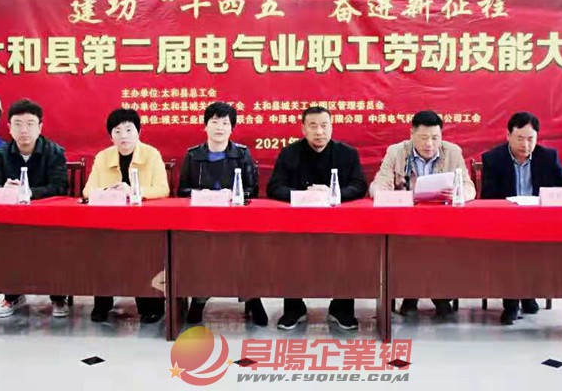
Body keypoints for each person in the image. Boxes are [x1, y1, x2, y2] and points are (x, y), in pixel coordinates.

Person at [267, 106, 367, 331]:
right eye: (313, 126)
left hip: (339, 224)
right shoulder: (289, 153)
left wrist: (333, 194)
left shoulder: (347, 153)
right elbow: (274, 187)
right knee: (291, 256)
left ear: (332, 127)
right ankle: (294, 309)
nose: (319, 131)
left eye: (324, 125)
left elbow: (359, 185)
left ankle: (342, 308)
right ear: (303, 129)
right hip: (298, 223)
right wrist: (304, 196)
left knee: (346, 256)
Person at [370, 110, 476, 319]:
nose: (429, 144)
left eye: (435, 138)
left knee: (443, 245)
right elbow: (379, 184)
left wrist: (458, 194)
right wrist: (385, 194)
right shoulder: (396, 152)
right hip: (406, 222)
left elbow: (469, 187)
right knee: (408, 244)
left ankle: (440, 295)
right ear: (411, 134)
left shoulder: (452, 152)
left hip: (442, 222)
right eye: (423, 137)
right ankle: (411, 295)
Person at [177, 102, 267, 326]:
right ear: (205, 126)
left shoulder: (242, 154)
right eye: (214, 122)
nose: (219, 127)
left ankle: (252, 298)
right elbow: (182, 190)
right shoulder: (193, 155)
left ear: (232, 128)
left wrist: (231, 195)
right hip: (201, 221)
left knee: (244, 252)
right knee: (201, 254)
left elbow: (252, 189)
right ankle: (199, 299)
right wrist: (203, 194)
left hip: (236, 219)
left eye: (225, 123)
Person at [0, 98, 69, 318]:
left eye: (30, 124)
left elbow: (60, 187)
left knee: (57, 243)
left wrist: (29, 192)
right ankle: (12, 295)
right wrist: (4, 189)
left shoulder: (54, 152)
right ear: (9, 128)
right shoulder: (0, 154)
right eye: (18, 124)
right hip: (13, 221)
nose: (24, 130)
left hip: (48, 220)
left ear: (40, 127)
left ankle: (58, 296)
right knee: (5, 242)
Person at [481, 111, 562, 325]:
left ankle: (529, 293)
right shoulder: (493, 159)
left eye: (531, 139)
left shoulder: (548, 157)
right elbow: (488, 197)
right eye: (520, 138)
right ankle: (511, 303)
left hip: (539, 221)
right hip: (506, 222)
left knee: (538, 247)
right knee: (510, 249)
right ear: (508, 136)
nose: (525, 144)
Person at [83, 108, 169, 324]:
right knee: (101, 248)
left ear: (139, 132)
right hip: (109, 222)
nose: (124, 136)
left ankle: (150, 305)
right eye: (117, 131)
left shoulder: (151, 154)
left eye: (129, 130)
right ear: (110, 136)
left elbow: (163, 189)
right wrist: (109, 192)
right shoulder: (103, 157)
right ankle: (103, 303)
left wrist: (133, 191)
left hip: (143, 223)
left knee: (145, 251)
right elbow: (87, 191)